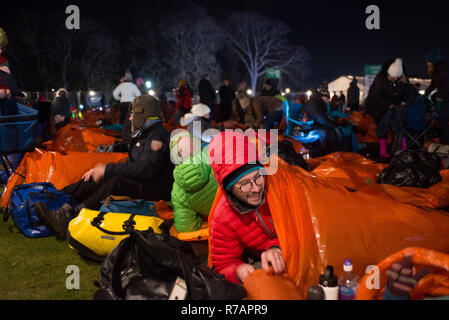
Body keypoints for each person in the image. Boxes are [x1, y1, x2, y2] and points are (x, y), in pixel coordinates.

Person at [34, 94, 175, 239]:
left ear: (143, 114)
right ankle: (51, 199)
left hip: (157, 189)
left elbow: (147, 170)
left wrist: (107, 170)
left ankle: (70, 217)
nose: (130, 118)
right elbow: (133, 165)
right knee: (96, 176)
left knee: (115, 183)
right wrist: (103, 171)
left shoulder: (158, 136)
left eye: (133, 114)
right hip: (146, 180)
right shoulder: (145, 134)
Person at [208, 131, 285, 284]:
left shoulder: (279, 186)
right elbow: (224, 264)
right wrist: (238, 270)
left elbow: (304, 225)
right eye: (244, 184)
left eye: (258, 177)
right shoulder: (223, 218)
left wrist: (276, 247)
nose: (256, 189)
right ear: (229, 189)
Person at [170, 132, 219, 233]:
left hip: (222, 225)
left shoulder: (177, 191)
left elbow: (185, 229)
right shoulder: (216, 154)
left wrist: (200, 217)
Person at [364, 58, 411, 158]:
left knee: (399, 124)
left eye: (397, 77)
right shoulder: (380, 79)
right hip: (377, 106)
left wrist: (404, 101)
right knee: (383, 125)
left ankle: (402, 148)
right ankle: (383, 150)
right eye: (393, 77)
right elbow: (377, 95)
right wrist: (389, 105)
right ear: (388, 73)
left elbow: (408, 92)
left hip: (394, 107)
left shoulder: (403, 79)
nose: (395, 79)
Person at [301, 82, 343, 154]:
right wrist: (333, 126)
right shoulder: (313, 104)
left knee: (329, 130)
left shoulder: (317, 103)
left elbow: (323, 118)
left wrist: (334, 122)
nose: (327, 101)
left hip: (308, 125)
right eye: (327, 98)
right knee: (330, 131)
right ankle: (335, 153)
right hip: (303, 128)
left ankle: (333, 152)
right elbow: (321, 119)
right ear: (322, 97)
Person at [424, 49, 449, 144]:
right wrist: (426, 92)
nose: (427, 64)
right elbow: (433, 84)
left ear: (433, 61)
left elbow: (446, 86)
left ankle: (446, 144)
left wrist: (439, 98)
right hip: (444, 100)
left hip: (447, 100)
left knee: (443, 122)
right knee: (441, 122)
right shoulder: (436, 70)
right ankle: (444, 143)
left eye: (428, 62)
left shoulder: (443, 69)